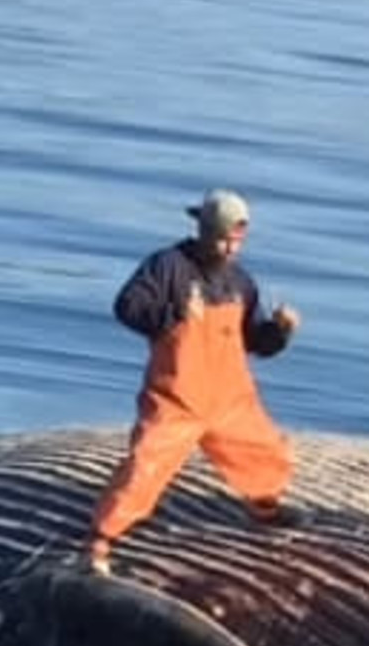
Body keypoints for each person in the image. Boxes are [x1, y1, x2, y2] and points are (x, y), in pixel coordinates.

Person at [87, 189, 302, 576]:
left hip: (229, 397)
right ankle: (102, 540)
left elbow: (254, 342)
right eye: (223, 238)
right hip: (177, 396)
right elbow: (127, 307)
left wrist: (280, 331)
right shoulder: (167, 266)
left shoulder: (241, 282)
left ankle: (264, 507)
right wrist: (172, 312)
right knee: (144, 467)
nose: (230, 248)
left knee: (266, 452)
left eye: (237, 240)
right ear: (202, 230)